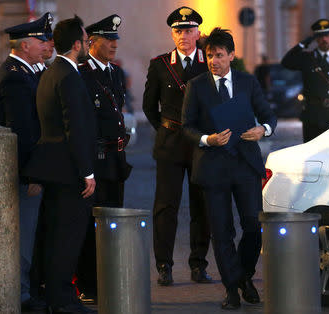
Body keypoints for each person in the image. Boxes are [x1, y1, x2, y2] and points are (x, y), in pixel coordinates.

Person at [182, 28, 277, 310]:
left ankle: (243, 277)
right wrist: (206, 139)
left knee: (252, 226)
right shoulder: (196, 86)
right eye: (209, 55)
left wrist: (263, 129)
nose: (213, 60)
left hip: (246, 165)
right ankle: (232, 289)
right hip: (213, 168)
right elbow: (186, 126)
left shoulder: (248, 82)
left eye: (219, 55)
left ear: (231, 56)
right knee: (221, 231)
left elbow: (269, 115)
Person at [23, 15, 97, 313]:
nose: (88, 44)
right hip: (68, 172)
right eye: (86, 40)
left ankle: (57, 298)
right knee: (67, 238)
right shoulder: (69, 77)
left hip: (52, 168)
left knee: (56, 236)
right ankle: (63, 301)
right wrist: (88, 173)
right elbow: (75, 130)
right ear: (77, 44)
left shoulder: (51, 72)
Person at [142, 6, 211, 286]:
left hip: (200, 145)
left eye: (188, 30)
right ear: (172, 34)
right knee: (165, 207)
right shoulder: (159, 64)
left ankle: (198, 264)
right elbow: (149, 106)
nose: (183, 35)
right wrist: (167, 129)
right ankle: (164, 265)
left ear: (198, 33)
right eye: (178, 30)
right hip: (170, 144)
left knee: (201, 206)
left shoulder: (209, 64)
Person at [0, 14, 48, 311]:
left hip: (28, 170)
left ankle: (29, 290)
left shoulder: (25, 72)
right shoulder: (15, 77)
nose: (45, 46)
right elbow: (23, 134)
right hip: (23, 173)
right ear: (25, 45)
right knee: (23, 235)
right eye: (40, 41)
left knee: (29, 233)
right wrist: (31, 175)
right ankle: (22, 296)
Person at [76, 14, 132, 300]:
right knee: (91, 225)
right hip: (96, 160)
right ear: (92, 42)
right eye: (108, 40)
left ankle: (108, 280)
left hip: (115, 160)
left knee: (113, 222)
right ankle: (88, 284)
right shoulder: (82, 74)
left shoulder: (115, 73)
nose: (114, 45)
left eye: (116, 40)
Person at [281, 18, 329, 142]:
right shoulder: (308, 58)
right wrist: (304, 43)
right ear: (316, 39)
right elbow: (286, 62)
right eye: (320, 36)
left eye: (327, 35)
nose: (324, 39)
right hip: (314, 116)